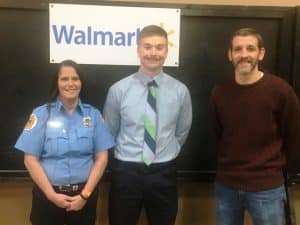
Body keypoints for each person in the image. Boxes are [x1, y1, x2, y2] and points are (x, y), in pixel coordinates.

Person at [209, 27, 300, 225]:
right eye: (238, 49)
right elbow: (218, 134)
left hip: (268, 188)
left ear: (261, 53)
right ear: (230, 55)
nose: (244, 55)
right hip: (226, 186)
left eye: (250, 48)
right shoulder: (219, 92)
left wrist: (274, 170)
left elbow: (294, 137)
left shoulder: (281, 91)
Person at [103, 25, 192, 225]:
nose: (153, 52)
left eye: (159, 47)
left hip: (164, 171)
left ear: (167, 52)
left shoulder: (180, 91)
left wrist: (169, 151)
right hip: (126, 172)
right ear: (138, 50)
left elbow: (182, 130)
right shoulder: (118, 90)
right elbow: (109, 131)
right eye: (148, 46)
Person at [15, 59, 115, 225]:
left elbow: (102, 159)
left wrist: (85, 195)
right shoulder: (41, 114)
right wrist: (51, 195)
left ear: (81, 83)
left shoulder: (94, 115)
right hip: (47, 197)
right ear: (57, 82)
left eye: (75, 79)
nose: (70, 84)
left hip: (84, 195)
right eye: (64, 79)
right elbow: (30, 159)